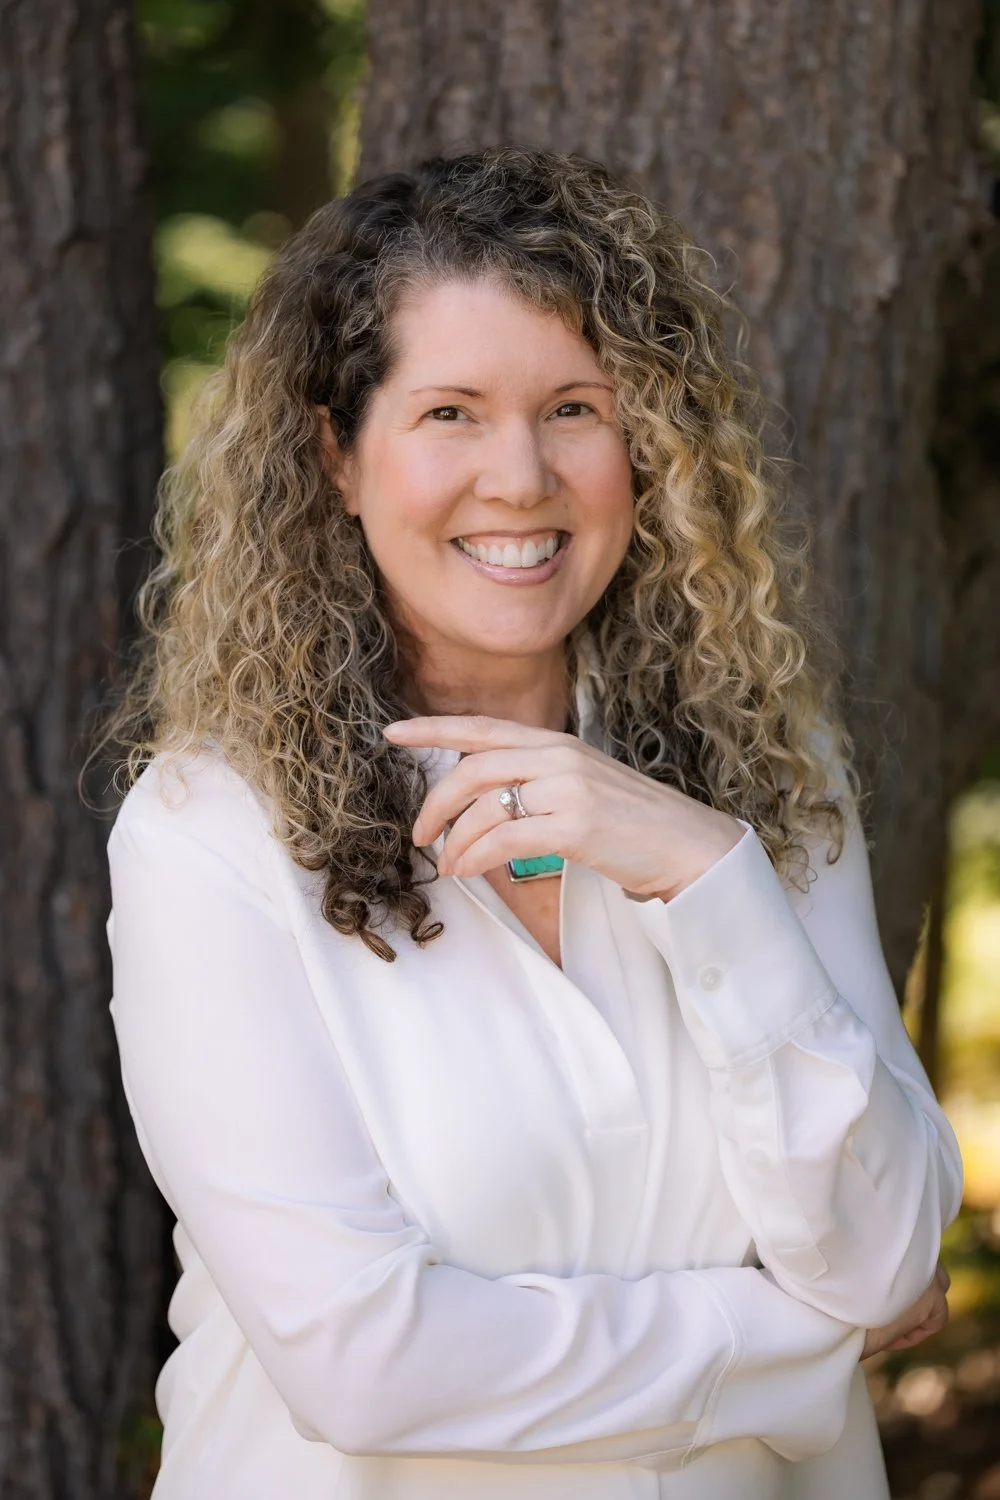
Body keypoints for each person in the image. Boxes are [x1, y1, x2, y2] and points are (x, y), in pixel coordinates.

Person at [99, 146, 963, 1500]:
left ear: (650, 448)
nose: (520, 477)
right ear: (336, 456)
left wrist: (707, 876)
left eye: (575, 409)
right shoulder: (209, 833)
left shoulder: (768, 770)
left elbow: (886, 1247)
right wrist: (807, 1344)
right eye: (449, 413)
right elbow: (365, 1367)